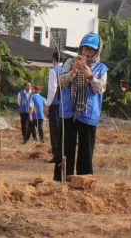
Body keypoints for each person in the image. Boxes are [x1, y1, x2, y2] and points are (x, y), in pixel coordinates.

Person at [57, 34, 108, 180]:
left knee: (86, 148)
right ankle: (62, 179)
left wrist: (90, 75)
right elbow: (61, 82)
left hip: (89, 112)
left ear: (97, 51)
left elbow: (100, 88)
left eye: (91, 50)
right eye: (85, 49)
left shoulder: (101, 68)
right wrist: (73, 71)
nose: (87, 53)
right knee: (66, 147)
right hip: (69, 110)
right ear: (81, 48)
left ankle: (84, 180)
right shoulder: (69, 62)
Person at [45, 49, 66, 176]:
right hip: (66, 106)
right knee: (62, 131)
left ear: (54, 60)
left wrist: (47, 105)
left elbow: (52, 90)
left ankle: (56, 154)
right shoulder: (66, 70)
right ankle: (62, 153)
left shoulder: (54, 71)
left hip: (56, 105)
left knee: (55, 131)